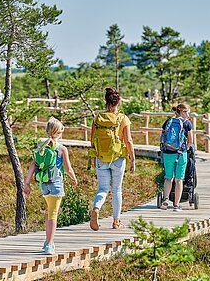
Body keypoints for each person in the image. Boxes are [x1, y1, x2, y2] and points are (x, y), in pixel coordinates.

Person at [24, 117, 78, 254]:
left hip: (44, 185)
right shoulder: (61, 149)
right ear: (59, 132)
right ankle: (49, 244)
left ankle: (48, 241)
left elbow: (33, 166)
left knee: (49, 213)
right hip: (56, 184)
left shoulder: (41, 147)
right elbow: (68, 168)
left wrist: (27, 183)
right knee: (53, 215)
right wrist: (74, 179)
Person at [89, 87, 135, 231]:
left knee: (102, 188)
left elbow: (92, 139)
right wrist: (132, 159)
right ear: (118, 102)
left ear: (106, 101)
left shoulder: (97, 118)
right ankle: (116, 221)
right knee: (116, 189)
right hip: (118, 158)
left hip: (101, 157)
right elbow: (128, 140)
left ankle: (96, 208)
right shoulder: (123, 118)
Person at [160, 103, 194, 212]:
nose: (188, 114)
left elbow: (162, 137)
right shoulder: (187, 123)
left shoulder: (168, 122)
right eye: (186, 112)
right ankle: (176, 204)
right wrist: (185, 149)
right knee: (179, 180)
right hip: (180, 153)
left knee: (168, 177)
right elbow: (191, 141)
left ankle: (165, 200)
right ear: (181, 112)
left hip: (167, 153)